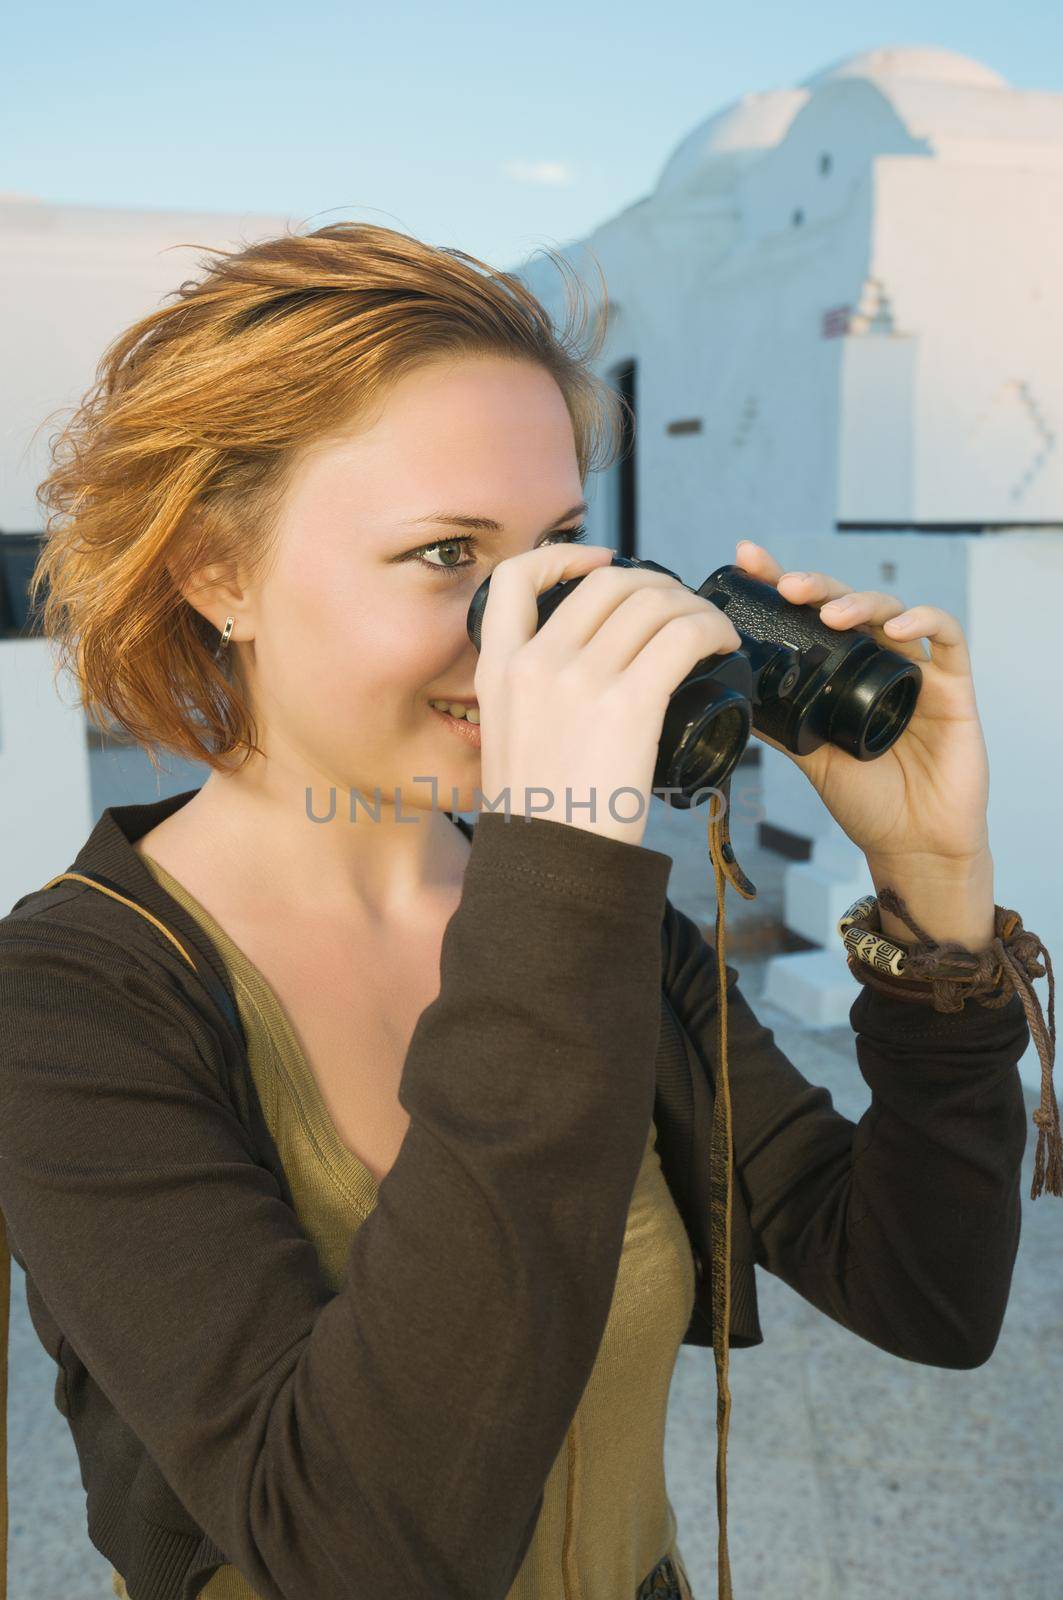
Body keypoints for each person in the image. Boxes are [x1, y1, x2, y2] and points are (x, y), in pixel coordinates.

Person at [0, 222, 1053, 1600]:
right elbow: (361, 1550)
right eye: (447, 554)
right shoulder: (66, 1001)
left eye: (556, 550)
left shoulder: (608, 938)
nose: (531, 627)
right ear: (221, 574)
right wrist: (559, 854)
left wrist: (933, 897)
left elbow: (925, 1290)